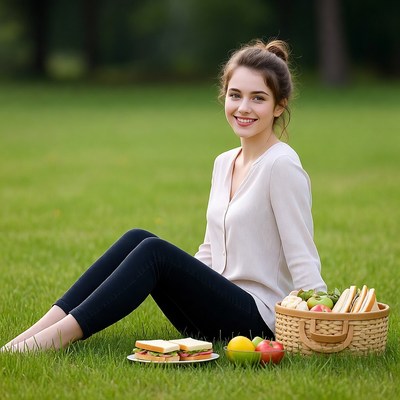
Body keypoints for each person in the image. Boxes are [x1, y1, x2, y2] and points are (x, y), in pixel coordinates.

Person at [1, 39, 326, 352]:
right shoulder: (225, 162)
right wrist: (188, 284)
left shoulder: (282, 166)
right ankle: (30, 336)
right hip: (215, 312)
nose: (243, 107)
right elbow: (211, 251)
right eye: (235, 95)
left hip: (259, 321)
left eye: (258, 98)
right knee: (137, 238)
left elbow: (302, 256)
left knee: (153, 251)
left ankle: (52, 340)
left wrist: (324, 321)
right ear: (223, 96)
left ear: (279, 105)